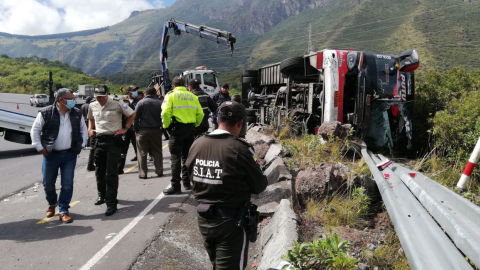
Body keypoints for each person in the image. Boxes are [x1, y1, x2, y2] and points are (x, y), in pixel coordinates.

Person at [185, 101, 268, 269]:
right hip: (231, 222)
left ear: (217, 120)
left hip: (204, 219)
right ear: (240, 123)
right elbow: (260, 185)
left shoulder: (197, 144)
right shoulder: (241, 148)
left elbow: (189, 176)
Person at [30, 88, 88, 223]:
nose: (73, 101)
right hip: (51, 155)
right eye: (71, 99)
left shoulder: (76, 113)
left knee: (67, 184)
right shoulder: (46, 113)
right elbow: (35, 131)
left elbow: (83, 130)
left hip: (69, 154)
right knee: (48, 183)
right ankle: (52, 204)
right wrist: (40, 148)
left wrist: (82, 144)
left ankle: (63, 210)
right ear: (61, 100)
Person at [88, 84, 135, 216]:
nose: (100, 99)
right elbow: (91, 119)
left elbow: (132, 114)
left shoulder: (117, 103)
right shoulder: (92, 105)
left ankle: (111, 202)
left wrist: (125, 129)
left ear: (107, 94)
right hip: (99, 141)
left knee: (111, 173)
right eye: (97, 97)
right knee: (99, 171)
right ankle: (101, 195)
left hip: (113, 141)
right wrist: (90, 129)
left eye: (102, 97)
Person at [161, 76, 204, 195]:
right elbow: (200, 114)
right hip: (190, 130)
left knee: (175, 158)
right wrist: (195, 126)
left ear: (173, 86)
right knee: (187, 157)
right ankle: (187, 183)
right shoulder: (193, 96)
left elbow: (165, 112)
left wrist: (166, 125)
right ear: (185, 85)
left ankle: (176, 186)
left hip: (176, 129)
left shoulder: (170, 96)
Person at [134, 87, 164, 179]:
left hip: (143, 130)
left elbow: (135, 118)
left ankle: (143, 173)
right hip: (156, 130)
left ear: (145, 94)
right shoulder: (160, 103)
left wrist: (136, 130)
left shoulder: (141, 103)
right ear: (155, 94)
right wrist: (162, 129)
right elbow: (164, 116)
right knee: (157, 151)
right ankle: (159, 171)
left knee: (142, 153)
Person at [81, 96, 95, 171]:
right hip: (90, 121)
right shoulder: (90, 106)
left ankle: (86, 143)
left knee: (86, 133)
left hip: (85, 120)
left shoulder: (83, 106)